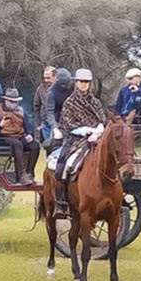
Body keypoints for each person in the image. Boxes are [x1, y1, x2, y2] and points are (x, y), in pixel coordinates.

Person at [53, 68, 106, 218]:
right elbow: (67, 124)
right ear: (76, 83)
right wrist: (84, 130)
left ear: (90, 84)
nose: (83, 85)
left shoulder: (95, 102)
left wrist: (99, 128)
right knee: (64, 165)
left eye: (86, 82)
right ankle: (61, 200)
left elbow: (102, 118)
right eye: (81, 82)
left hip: (97, 139)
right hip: (75, 139)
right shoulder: (69, 103)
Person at [0, 87, 40, 185]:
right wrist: (0, 125)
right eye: (11, 101)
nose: (14, 104)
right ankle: (22, 175)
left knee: (34, 145)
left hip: (19, 136)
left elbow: (28, 125)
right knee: (17, 144)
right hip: (2, 137)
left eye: (16, 102)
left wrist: (29, 134)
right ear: (5, 100)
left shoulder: (21, 110)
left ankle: (29, 173)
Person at [44, 67, 74, 150]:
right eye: (63, 83)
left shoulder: (75, 86)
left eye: (68, 82)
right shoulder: (52, 93)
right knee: (53, 147)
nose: (66, 85)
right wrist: (54, 127)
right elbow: (50, 111)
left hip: (74, 121)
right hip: (59, 122)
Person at [33, 66, 57, 142]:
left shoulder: (60, 89)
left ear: (55, 76)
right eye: (44, 78)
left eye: (48, 78)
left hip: (57, 121)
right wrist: (38, 122)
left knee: (54, 143)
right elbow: (36, 105)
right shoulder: (40, 89)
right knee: (47, 144)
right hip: (45, 121)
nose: (46, 80)